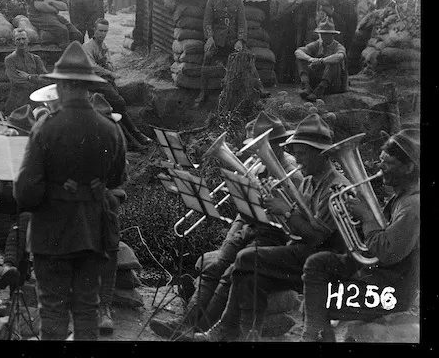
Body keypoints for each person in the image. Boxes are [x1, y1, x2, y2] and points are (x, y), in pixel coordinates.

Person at [149, 112, 304, 340]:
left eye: (258, 145)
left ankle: (199, 329)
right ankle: (186, 323)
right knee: (214, 267)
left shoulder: (292, 172)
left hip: (275, 237)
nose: (253, 151)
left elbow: (295, 220)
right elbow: (249, 211)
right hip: (253, 228)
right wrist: (241, 193)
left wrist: (266, 203)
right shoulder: (260, 164)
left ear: (276, 143)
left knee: (231, 273)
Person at [196, 114, 350, 342]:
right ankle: (251, 335)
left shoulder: (336, 187)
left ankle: (225, 327)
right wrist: (276, 210)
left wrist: (286, 211)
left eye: (302, 154)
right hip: (302, 252)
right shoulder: (309, 181)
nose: (297, 161)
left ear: (322, 153)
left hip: (325, 259)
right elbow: (297, 231)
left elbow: (316, 237)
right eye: (295, 153)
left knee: (246, 258)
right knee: (249, 279)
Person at [13, 41, 126, 340]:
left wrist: (50, 193)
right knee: (88, 307)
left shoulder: (45, 127)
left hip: (51, 232)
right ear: (88, 88)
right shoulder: (110, 129)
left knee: (52, 307)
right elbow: (117, 179)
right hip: (93, 231)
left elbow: (25, 191)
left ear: (62, 87)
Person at [300, 128, 419, 342]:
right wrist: (351, 219)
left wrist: (365, 216)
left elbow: (387, 253)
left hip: (391, 294)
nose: (379, 167)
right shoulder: (400, 198)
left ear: (409, 167)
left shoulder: (413, 206)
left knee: (315, 302)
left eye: (388, 162)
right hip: (377, 278)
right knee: (317, 264)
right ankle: (317, 334)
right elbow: (373, 243)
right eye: (380, 160)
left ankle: (314, 336)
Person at [88, 92, 128, 335]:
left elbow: (121, 178)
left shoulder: (115, 137)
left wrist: (108, 191)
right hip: (77, 201)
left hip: (105, 200)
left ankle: (104, 307)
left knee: (110, 247)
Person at [195, 0, 266, 107]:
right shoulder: (212, 1)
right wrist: (209, 38)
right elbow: (207, 22)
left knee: (247, 57)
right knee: (207, 57)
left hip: (234, 40)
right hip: (217, 41)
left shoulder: (237, 1)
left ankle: (260, 88)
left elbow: (242, 22)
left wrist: (240, 40)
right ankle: (202, 92)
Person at [82, 18, 152, 151]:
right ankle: (133, 137)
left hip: (104, 80)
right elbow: (92, 68)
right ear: (94, 31)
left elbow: (110, 63)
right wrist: (110, 72)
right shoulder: (87, 47)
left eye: (105, 31)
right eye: (100, 31)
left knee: (117, 107)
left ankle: (135, 136)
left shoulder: (103, 46)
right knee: (119, 103)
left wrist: (109, 68)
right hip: (91, 81)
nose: (103, 34)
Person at [0, 105, 37, 291]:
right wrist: (0, 183)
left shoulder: (35, 162)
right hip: (1, 221)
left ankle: (9, 269)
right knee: (23, 225)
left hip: (27, 223)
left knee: (25, 220)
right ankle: (11, 271)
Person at [295, 19, 347, 102]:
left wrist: (322, 60)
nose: (324, 37)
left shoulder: (338, 46)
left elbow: (339, 57)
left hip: (332, 83)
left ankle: (319, 90)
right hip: (317, 79)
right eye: (322, 34)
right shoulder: (317, 44)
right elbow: (298, 52)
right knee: (301, 59)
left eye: (327, 34)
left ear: (332, 35)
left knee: (333, 62)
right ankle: (306, 85)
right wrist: (310, 59)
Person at [4, 29, 49, 115]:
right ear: (14, 41)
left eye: (24, 39)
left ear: (28, 40)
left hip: (35, 101)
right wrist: (37, 81)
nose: (21, 42)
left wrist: (29, 77)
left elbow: (46, 79)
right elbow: (15, 80)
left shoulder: (36, 59)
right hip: (18, 102)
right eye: (18, 39)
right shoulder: (10, 60)